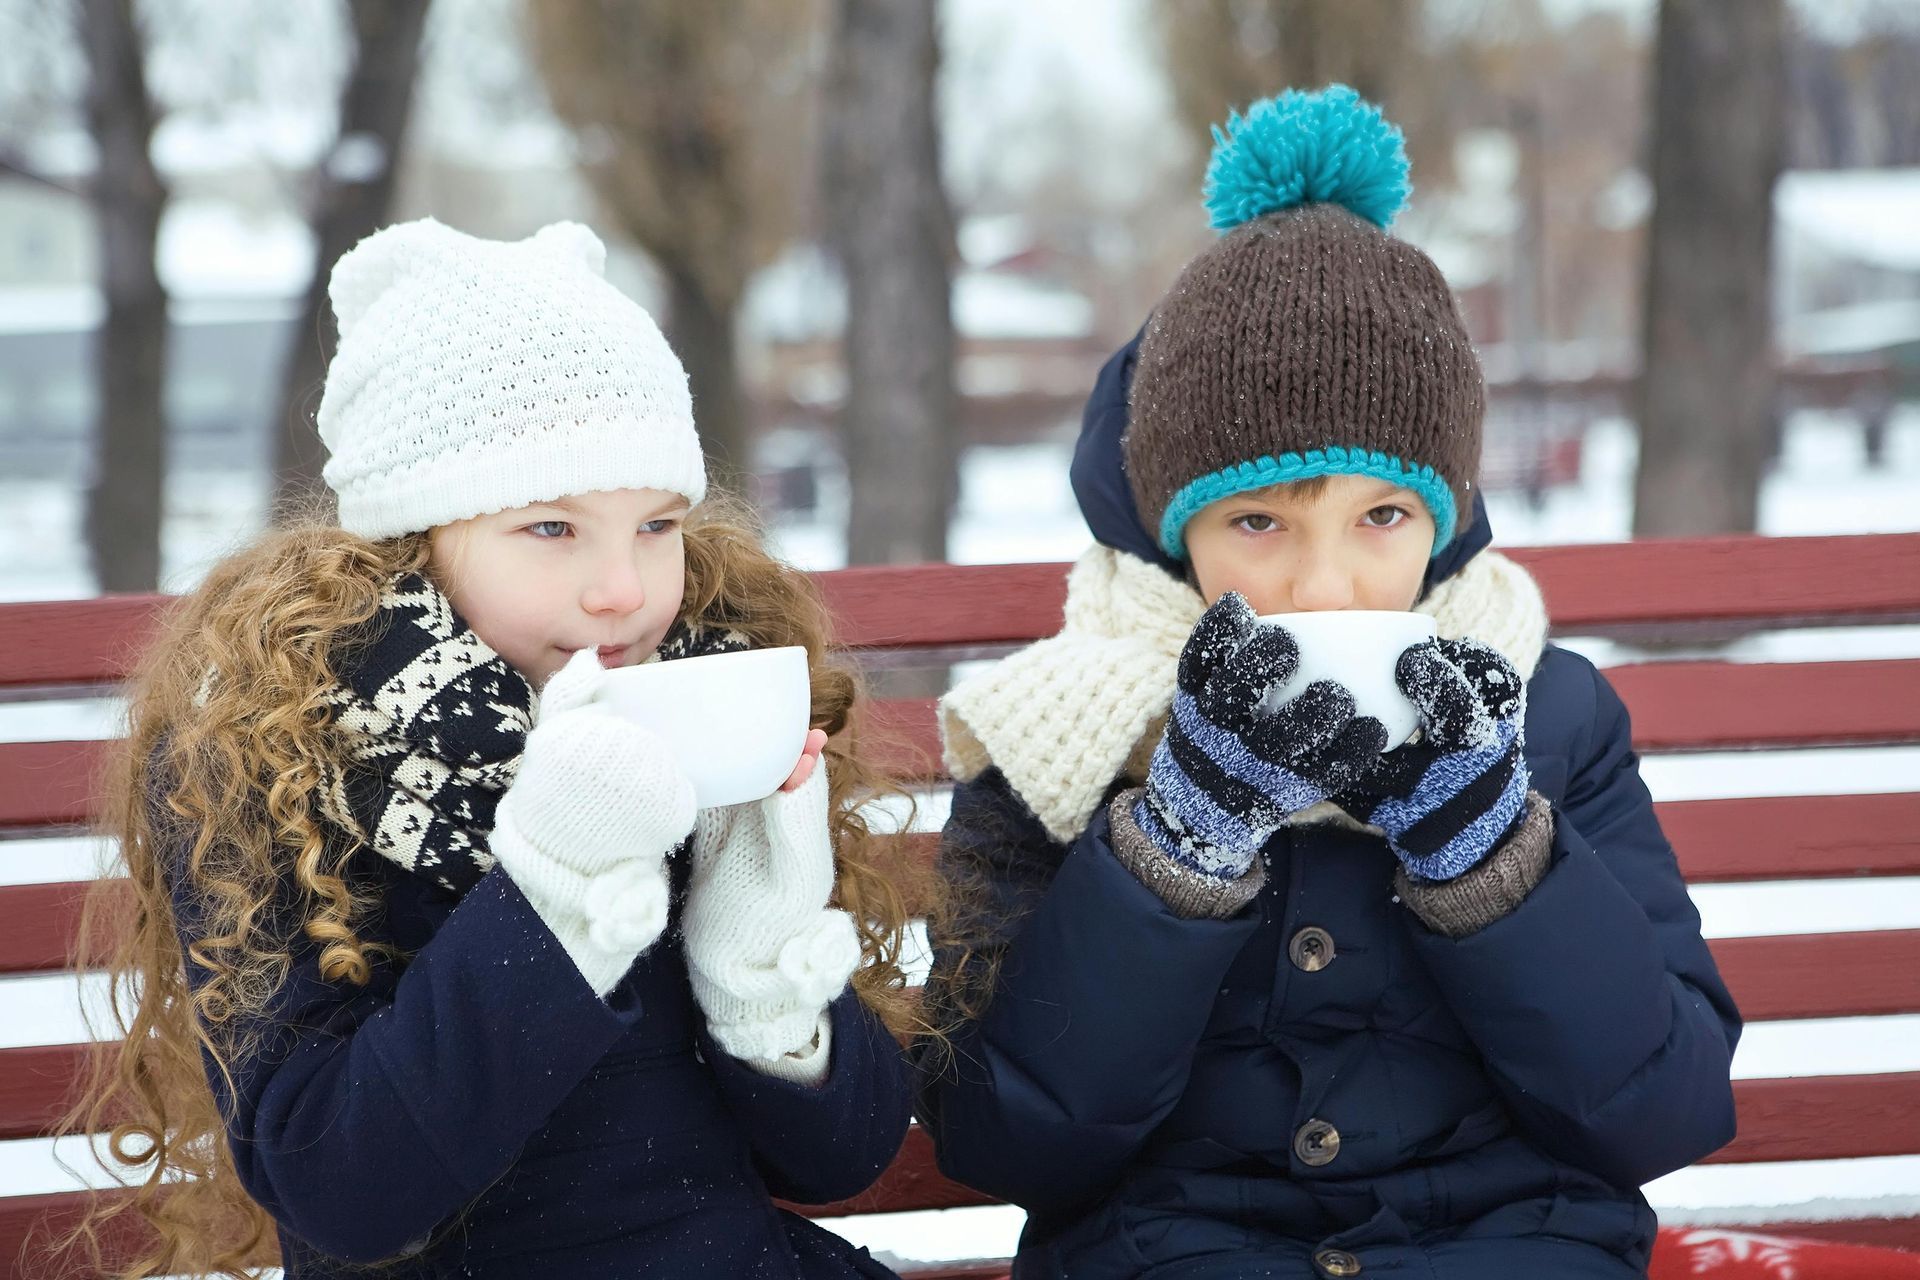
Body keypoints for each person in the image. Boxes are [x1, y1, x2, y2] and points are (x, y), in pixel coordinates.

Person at [916, 86, 1739, 1279]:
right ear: (1174, 528)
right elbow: (1003, 1136)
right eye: (1257, 519)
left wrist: (1490, 854)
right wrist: (1179, 846)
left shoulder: (1548, 715)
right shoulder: (1057, 737)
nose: (1325, 584)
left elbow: (1659, 1106)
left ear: (1444, 518)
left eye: (1384, 515)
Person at [63, 219, 915, 1279]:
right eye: (552, 528)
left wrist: (759, 964)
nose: (624, 586)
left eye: (655, 524)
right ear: (415, 534)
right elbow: (341, 1186)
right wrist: (557, 889)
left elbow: (844, 1155)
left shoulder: (696, 696)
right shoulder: (272, 744)